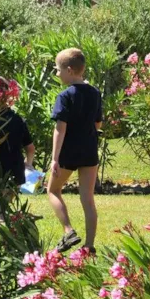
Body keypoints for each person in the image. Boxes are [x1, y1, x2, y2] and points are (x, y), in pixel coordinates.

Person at [46, 48, 103, 253]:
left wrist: (54, 159)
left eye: (58, 70)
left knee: (52, 190)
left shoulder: (65, 96)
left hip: (69, 151)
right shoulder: (95, 93)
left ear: (69, 70)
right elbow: (97, 124)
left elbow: (60, 129)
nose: (57, 74)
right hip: (89, 150)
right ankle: (89, 245)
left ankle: (68, 230)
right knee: (87, 198)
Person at [0, 76, 36, 189]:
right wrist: (28, 164)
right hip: (16, 171)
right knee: (7, 201)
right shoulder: (17, 119)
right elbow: (30, 148)